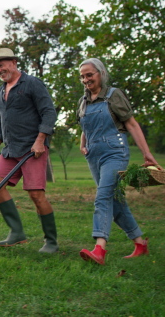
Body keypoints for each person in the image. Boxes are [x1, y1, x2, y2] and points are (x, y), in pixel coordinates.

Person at [77, 58, 160, 265]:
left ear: (101, 74)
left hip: (115, 151)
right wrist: (83, 143)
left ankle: (99, 249)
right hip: (93, 155)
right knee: (115, 200)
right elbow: (84, 127)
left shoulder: (114, 95)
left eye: (90, 75)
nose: (86, 79)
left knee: (103, 196)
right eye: (83, 76)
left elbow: (131, 124)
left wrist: (146, 153)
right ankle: (140, 244)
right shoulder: (83, 100)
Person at [0, 48, 59, 253]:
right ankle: (16, 232)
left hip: (32, 148)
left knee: (36, 194)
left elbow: (48, 112)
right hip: (11, 149)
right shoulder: (0, 92)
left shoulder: (32, 84)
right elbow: (1, 121)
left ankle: (51, 241)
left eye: (2, 64)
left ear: (14, 62)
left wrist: (40, 140)